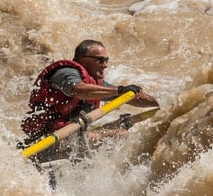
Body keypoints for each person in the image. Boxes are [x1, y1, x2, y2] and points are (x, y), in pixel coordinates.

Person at [20, 39, 159, 162]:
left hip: (72, 135)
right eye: (100, 60)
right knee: (120, 136)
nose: (105, 65)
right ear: (82, 59)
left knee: (123, 125)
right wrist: (119, 90)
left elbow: (132, 99)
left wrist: (163, 104)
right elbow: (79, 90)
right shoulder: (65, 73)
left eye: (106, 60)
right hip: (46, 141)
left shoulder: (96, 84)